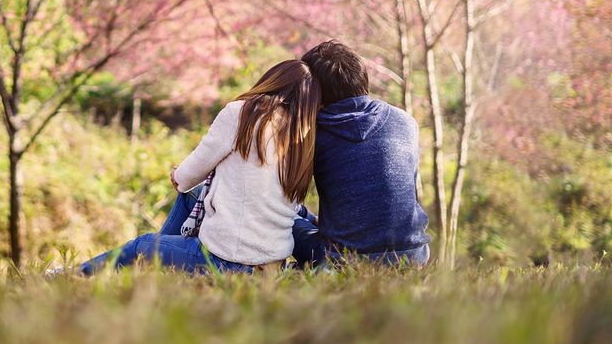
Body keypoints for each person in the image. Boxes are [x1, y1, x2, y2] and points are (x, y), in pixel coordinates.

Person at [80, 60, 320, 275]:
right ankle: (159, 270)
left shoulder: (243, 115)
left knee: (141, 245)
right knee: (191, 197)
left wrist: (178, 174)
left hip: (229, 260)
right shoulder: (303, 138)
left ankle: (74, 275)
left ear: (271, 81)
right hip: (271, 263)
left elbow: (187, 175)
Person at [293, 40, 431, 268]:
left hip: (342, 260)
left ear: (312, 91)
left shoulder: (313, 133)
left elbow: (284, 198)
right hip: (413, 255)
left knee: (278, 216)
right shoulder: (405, 122)